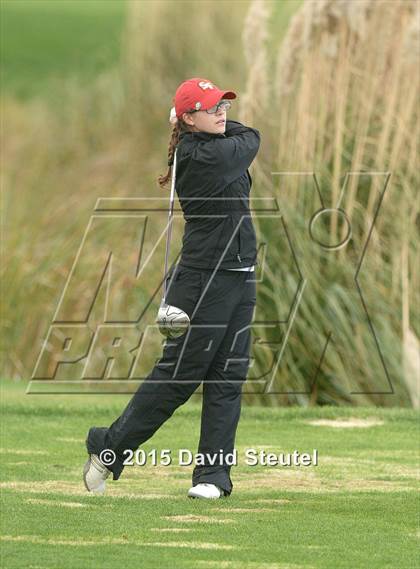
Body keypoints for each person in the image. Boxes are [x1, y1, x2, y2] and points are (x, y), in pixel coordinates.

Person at [83, 77, 260, 499]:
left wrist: (196, 121)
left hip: (239, 274)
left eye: (223, 105)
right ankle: (109, 447)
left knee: (227, 378)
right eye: (212, 108)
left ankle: (212, 478)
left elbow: (239, 134)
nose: (222, 113)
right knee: (180, 378)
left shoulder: (209, 143)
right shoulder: (201, 156)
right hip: (207, 280)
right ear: (187, 118)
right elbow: (251, 138)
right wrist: (190, 128)